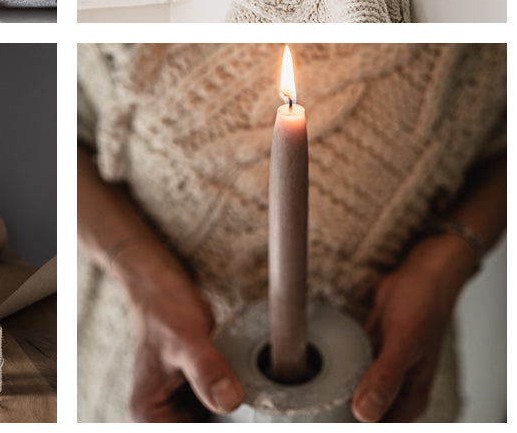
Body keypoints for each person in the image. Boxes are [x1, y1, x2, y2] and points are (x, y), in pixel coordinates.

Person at [77, 44, 505, 422]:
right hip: (155, 360)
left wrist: (443, 263)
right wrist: (144, 275)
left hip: (394, 363)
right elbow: (65, 137)